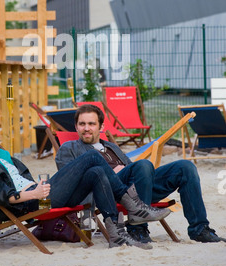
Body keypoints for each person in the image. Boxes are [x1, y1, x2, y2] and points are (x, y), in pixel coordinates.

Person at [0, 111, 171, 250]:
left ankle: (117, 235)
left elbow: (21, 177)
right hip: (30, 202)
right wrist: (33, 193)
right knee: (93, 156)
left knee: (96, 171)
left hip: (38, 191)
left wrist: (35, 188)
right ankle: (133, 206)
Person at [55, 104, 226, 244]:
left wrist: (127, 171)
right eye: (82, 124)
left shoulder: (111, 147)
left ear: (101, 126)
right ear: (76, 126)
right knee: (143, 164)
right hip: (108, 193)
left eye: (91, 124)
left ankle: (200, 229)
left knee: (185, 166)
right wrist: (111, 175)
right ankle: (137, 228)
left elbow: (134, 172)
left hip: (138, 190)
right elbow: (72, 186)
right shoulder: (69, 149)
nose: (86, 128)